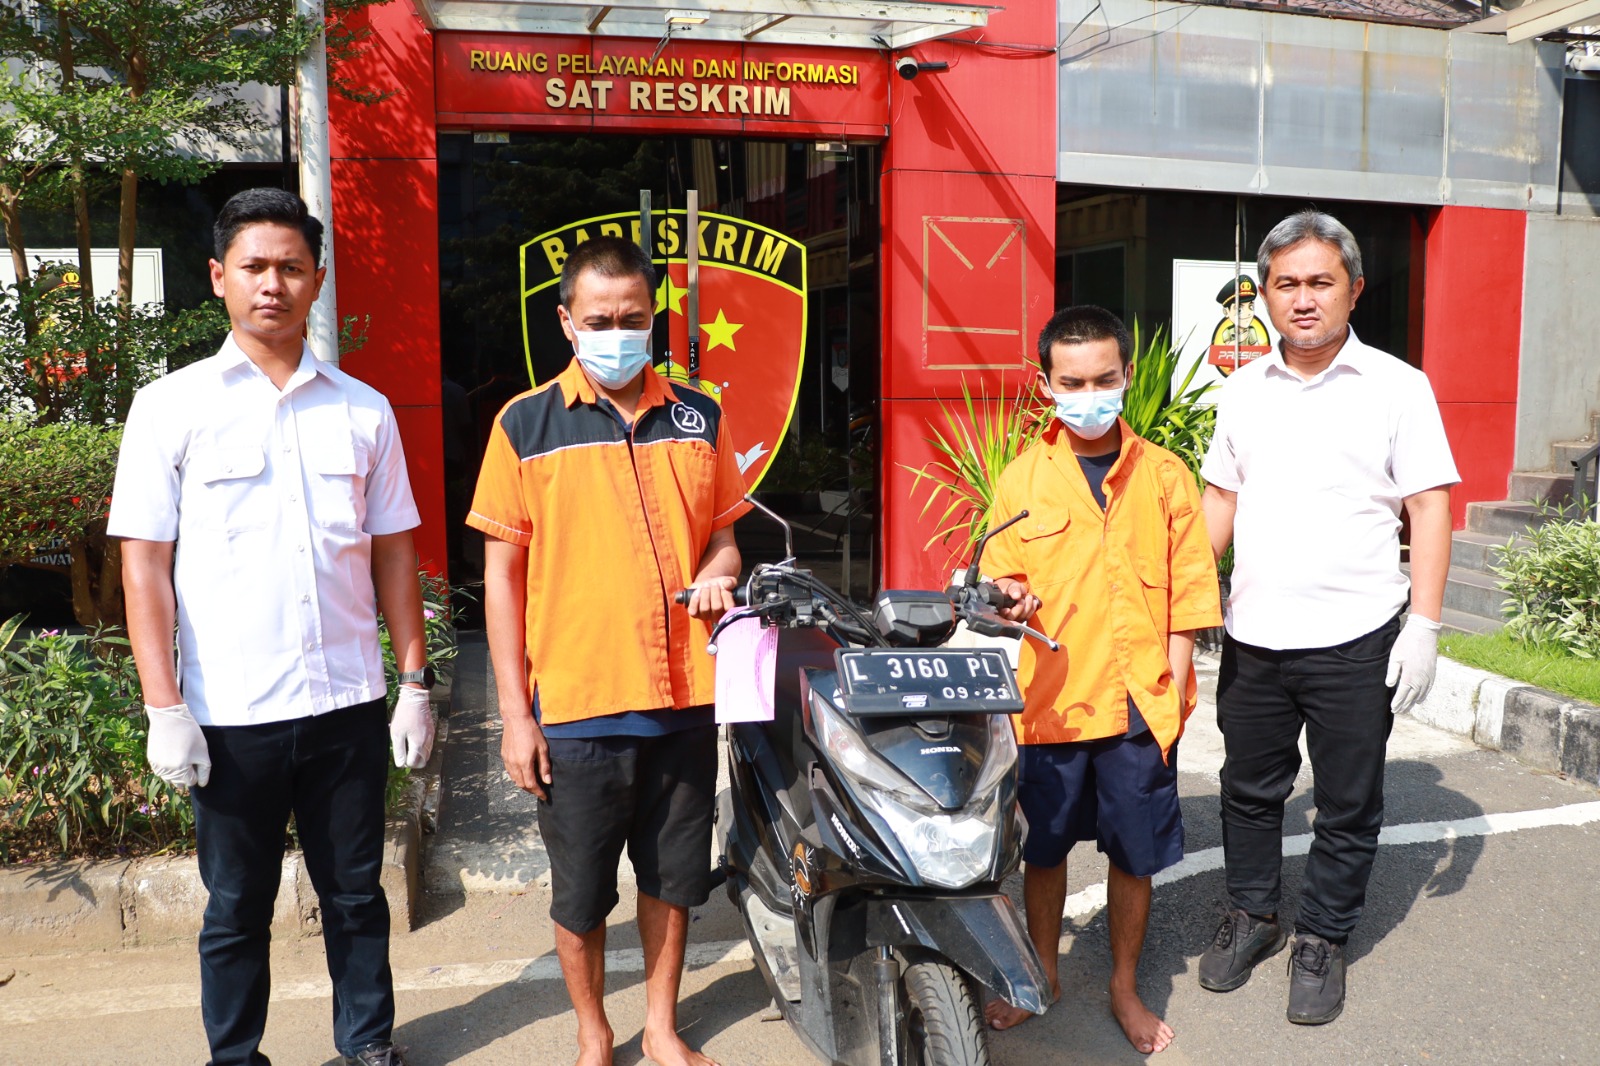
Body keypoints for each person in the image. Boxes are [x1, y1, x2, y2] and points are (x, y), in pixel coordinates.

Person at [110, 188, 434, 1066]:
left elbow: (394, 553)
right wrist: (163, 707)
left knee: (357, 894)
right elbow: (144, 567)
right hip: (231, 713)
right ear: (218, 277)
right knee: (235, 907)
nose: (272, 284)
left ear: (317, 280)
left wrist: (413, 684)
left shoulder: (363, 409)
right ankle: (235, 1055)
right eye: (254, 266)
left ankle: (367, 1043)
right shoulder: (170, 406)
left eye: (292, 267)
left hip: (346, 706)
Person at [468, 236, 750, 1066]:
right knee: (582, 892)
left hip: (684, 699)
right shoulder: (524, 424)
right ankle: (594, 1030)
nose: (617, 334)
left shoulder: (698, 415)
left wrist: (718, 572)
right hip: (578, 705)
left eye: (632, 318)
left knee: (674, 879)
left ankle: (660, 1027)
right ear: (567, 322)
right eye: (599, 321)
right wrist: (515, 718)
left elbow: (725, 540)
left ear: (653, 316)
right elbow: (501, 580)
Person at [1196, 209, 1458, 1025]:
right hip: (1255, 636)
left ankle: (1322, 936)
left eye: (1320, 282)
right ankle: (1253, 914)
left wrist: (1425, 625)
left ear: (1354, 289)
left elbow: (1429, 504)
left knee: (1347, 802)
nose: (1303, 299)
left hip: (1356, 638)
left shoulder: (1397, 386)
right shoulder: (1241, 389)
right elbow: (1220, 499)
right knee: (1247, 789)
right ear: (1265, 294)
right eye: (1287, 284)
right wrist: (1184, 597)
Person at [981, 305, 1222, 1054]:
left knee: (1134, 855)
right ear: (1046, 384)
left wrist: (1171, 695)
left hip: (1139, 706)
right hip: (1050, 705)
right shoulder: (1023, 479)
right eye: (1073, 382)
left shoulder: (1165, 476)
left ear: (1126, 375)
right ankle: (1043, 973)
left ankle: (1123, 986)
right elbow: (1000, 581)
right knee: (1044, 851)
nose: (1089, 394)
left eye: (1104, 379)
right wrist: (1009, 600)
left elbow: (1189, 597)